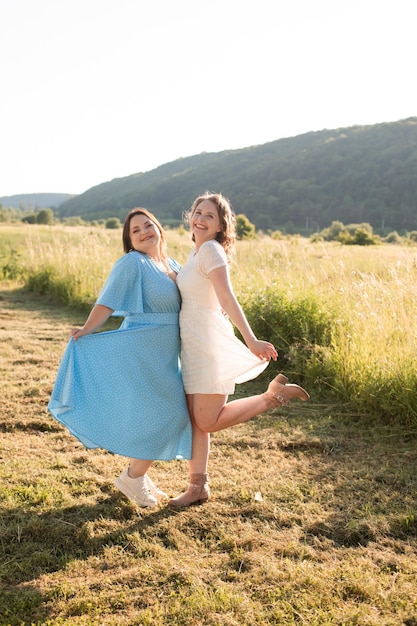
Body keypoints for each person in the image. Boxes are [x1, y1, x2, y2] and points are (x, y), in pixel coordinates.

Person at [168, 192, 309, 508]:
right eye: (198, 212)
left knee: (207, 420)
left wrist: (251, 340)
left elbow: (228, 298)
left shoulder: (212, 252)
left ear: (220, 227)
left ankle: (273, 397)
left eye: (210, 216)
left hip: (207, 345)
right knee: (196, 420)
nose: (201, 219)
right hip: (191, 347)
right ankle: (197, 487)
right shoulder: (195, 254)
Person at [48, 208, 192, 508]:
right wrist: (88, 329)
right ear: (130, 240)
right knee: (173, 413)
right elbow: (108, 300)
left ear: (159, 228)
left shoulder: (170, 262)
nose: (143, 233)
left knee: (158, 413)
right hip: (143, 348)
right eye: (135, 231)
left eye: (147, 226)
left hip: (165, 352)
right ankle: (132, 476)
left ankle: (138, 476)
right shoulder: (132, 262)